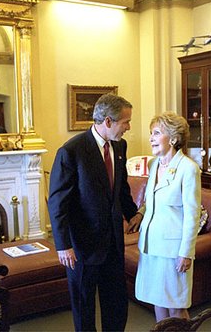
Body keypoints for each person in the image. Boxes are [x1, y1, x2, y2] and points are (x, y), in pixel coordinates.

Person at [48, 93, 143, 331]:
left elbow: (121, 188)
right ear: (108, 121)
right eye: (126, 122)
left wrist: (133, 214)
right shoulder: (71, 151)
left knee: (116, 302)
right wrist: (62, 245)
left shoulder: (120, 146)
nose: (129, 128)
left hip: (113, 242)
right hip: (82, 246)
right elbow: (58, 203)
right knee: (84, 305)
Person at [134, 111, 201, 322]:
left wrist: (186, 253)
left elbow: (193, 215)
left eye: (156, 133)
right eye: (150, 133)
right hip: (150, 246)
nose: (150, 138)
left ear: (173, 138)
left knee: (176, 306)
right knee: (158, 300)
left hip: (173, 251)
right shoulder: (154, 165)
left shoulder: (188, 168)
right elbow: (151, 203)